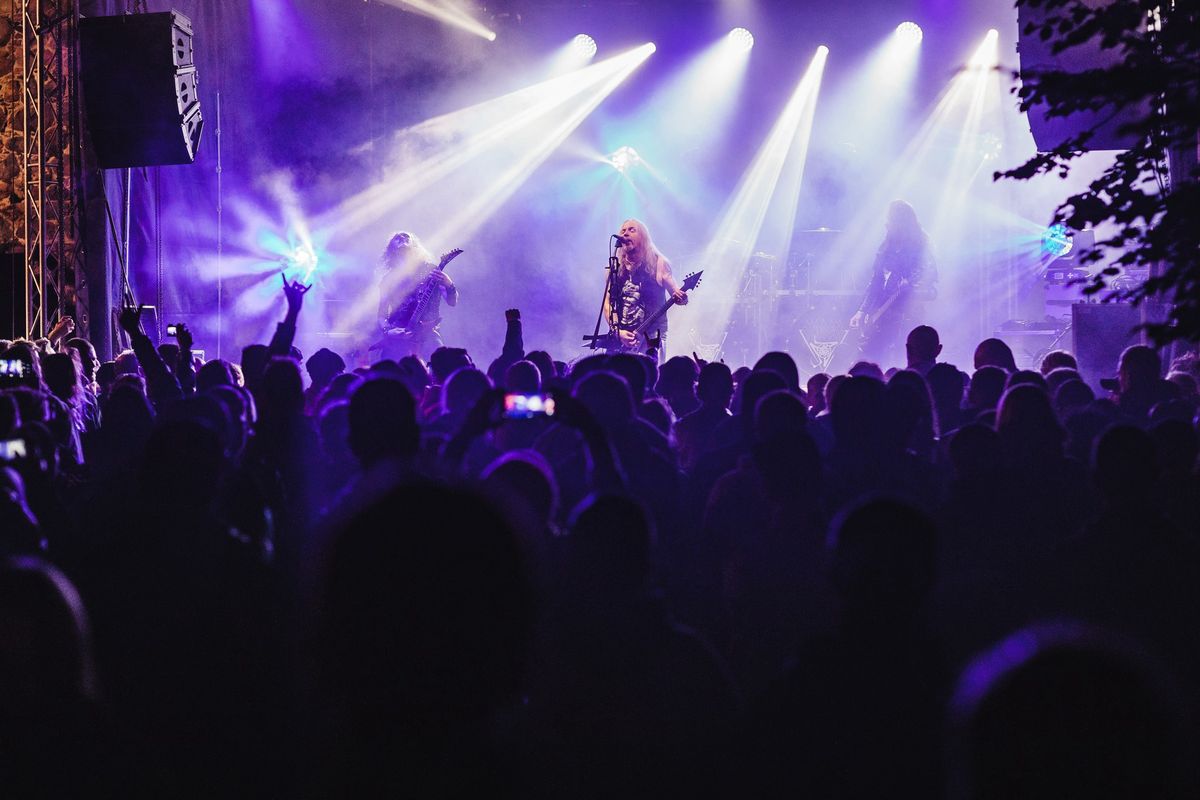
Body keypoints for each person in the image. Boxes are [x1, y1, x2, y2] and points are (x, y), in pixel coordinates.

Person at [849, 200, 937, 366]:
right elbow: (876, 282)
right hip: (881, 315)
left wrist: (911, 288)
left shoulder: (920, 248)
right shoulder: (885, 247)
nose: (886, 223)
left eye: (890, 219)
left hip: (907, 316)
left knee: (903, 359)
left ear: (901, 222)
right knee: (869, 359)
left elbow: (931, 280)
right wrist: (861, 311)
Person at [604, 219, 688, 356]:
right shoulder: (614, 267)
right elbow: (607, 303)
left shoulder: (659, 263)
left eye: (632, 230)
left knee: (649, 375)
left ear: (643, 237)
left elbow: (678, 296)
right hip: (622, 338)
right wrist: (617, 331)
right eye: (623, 231)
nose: (625, 234)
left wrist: (682, 298)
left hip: (651, 337)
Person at [376, 232, 458, 360]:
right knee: (388, 371)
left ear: (415, 245)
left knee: (442, 364)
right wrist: (388, 330)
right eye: (397, 238)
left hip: (427, 333)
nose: (402, 238)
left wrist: (449, 283)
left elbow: (452, 302)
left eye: (406, 236)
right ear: (391, 249)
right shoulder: (388, 279)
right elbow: (381, 314)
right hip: (399, 334)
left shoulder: (432, 270)